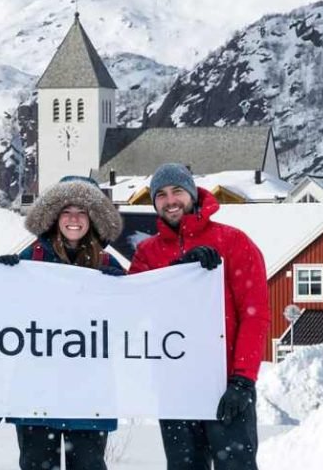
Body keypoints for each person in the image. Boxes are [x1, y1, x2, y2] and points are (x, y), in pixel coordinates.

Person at [128, 163, 270, 470]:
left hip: (225, 386)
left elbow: (255, 316)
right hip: (176, 387)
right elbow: (134, 310)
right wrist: (179, 272)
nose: (170, 201)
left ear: (192, 194)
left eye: (177, 191)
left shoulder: (234, 242)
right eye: (161, 195)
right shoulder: (147, 254)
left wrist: (242, 381)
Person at [0, 175, 124, 470]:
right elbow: (4, 318)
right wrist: (5, 278)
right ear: (54, 216)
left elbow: (131, 326)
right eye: (66, 211)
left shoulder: (108, 265)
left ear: (94, 217)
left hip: (90, 392)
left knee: (88, 465)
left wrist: (124, 291)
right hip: (36, 390)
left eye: (82, 211)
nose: (74, 219)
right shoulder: (30, 259)